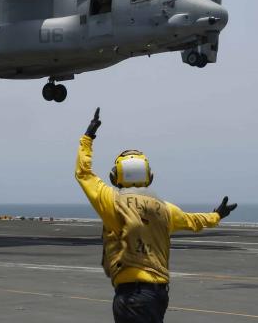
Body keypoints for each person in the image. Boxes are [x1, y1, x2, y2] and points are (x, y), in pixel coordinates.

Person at [75, 108, 237, 323]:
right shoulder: (165, 209)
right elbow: (193, 221)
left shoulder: (112, 202)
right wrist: (216, 215)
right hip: (158, 296)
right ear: (149, 176)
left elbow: (83, 173)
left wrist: (88, 137)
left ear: (115, 176)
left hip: (132, 296)